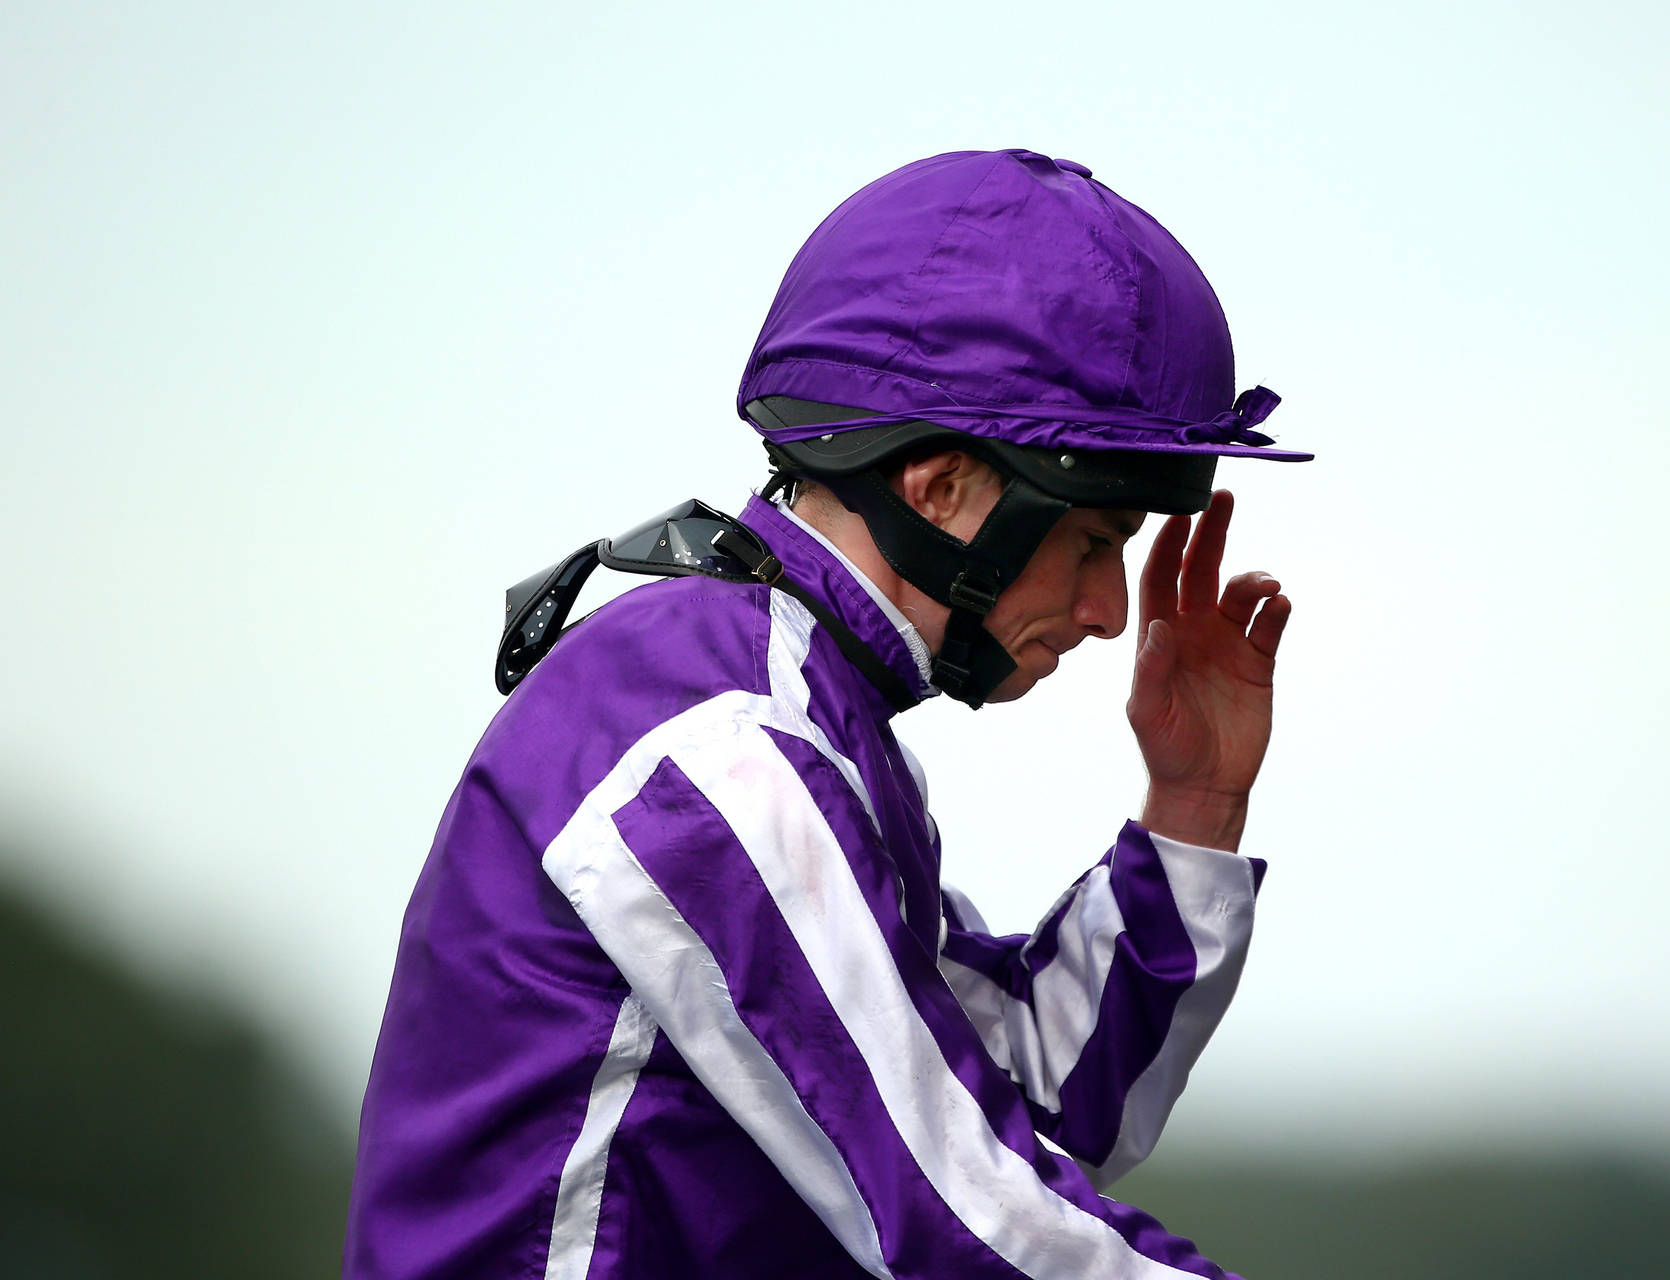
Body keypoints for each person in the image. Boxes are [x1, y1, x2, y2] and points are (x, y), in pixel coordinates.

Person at [343, 148, 1312, 1279]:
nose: (1109, 611)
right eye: (1092, 542)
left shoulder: (806, 714)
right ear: (941, 485)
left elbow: (1038, 1098)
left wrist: (1193, 805)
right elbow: (965, 1213)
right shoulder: (720, 738)